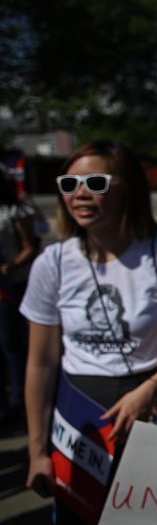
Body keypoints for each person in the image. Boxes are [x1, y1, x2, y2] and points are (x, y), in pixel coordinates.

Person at [20, 141, 157, 525]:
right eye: (70, 182)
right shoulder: (52, 263)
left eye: (95, 182)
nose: (80, 192)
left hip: (150, 408)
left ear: (128, 189)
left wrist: (150, 389)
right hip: (78, 415)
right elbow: (41, 363)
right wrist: (38, 452)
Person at [1, 169, 39, 420]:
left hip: (10, 285)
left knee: (10, 343)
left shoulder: (14, 211)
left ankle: (17, 399)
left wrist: (10, 266)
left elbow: (30, 246)